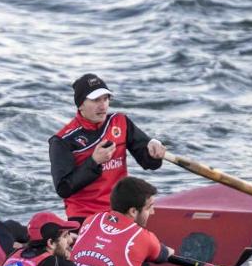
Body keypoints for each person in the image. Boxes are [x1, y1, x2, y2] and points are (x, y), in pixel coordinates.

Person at [48, 73, 167, 220]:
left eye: (105, 99)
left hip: (119, 211)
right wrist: (94, 162)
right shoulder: (62, 140)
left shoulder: (120, 122)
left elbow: (149, 163)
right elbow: (63, 189)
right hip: (85, 215)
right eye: (96, 100)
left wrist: (154, 151)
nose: (102, 105)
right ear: (80, 104)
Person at [58, 176, 174, 266]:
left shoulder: (91, 220)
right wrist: (168, 250)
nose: (153, 212)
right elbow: (164, 255)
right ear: (133, 211)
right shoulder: (144, 237)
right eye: (149, 207)